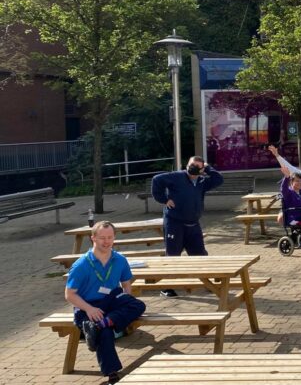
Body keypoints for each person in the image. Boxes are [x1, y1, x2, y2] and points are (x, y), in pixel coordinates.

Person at [65, 221, 146, 384]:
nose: (106, 241)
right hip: (86, 306)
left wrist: (125, 302)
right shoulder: (81, 265)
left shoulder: (120, 260)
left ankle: (103, 323)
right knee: (106, 332)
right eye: (102, 238)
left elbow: (126, 285)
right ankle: (112, 373)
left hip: (111, 300)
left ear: (114, 238)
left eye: (110, 237)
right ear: (93, 238)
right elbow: (69, 295)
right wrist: (89, 309)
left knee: (138, 305)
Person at [151, 156, 224, 297]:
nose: (193, 168)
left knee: (200, 255)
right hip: (174, 222)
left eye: (197, 166)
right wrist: (164, 200)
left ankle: (209, 284)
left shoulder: (202, 181)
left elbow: (218, 179)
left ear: (202, 169)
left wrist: (208, 168)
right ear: (187, 165)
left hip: (193, 223)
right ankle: (167, 288)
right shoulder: (177, 177)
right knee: (173, 255)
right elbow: (156, 180)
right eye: (191, 165)